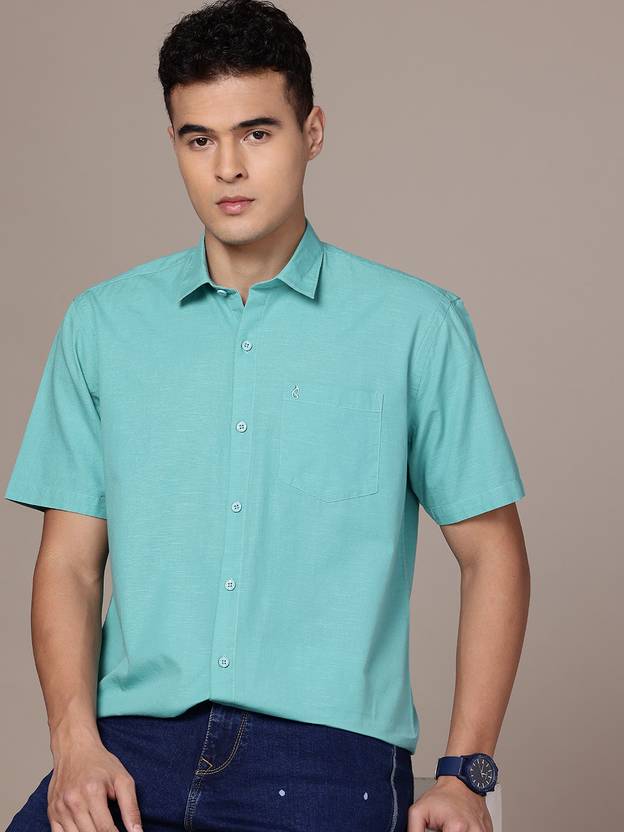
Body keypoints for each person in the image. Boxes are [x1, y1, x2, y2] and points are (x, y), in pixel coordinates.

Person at [3, 0, 530, 830]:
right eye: (198, 139)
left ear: (311, 132)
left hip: (324, 760)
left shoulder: (414, 325)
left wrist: (466, 773)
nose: (227, 168)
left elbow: (492, 552)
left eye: (257, 132)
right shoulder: (102, 326)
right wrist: (74, 745)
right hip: (130, 751)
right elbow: (70, 564)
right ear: (174, 143)